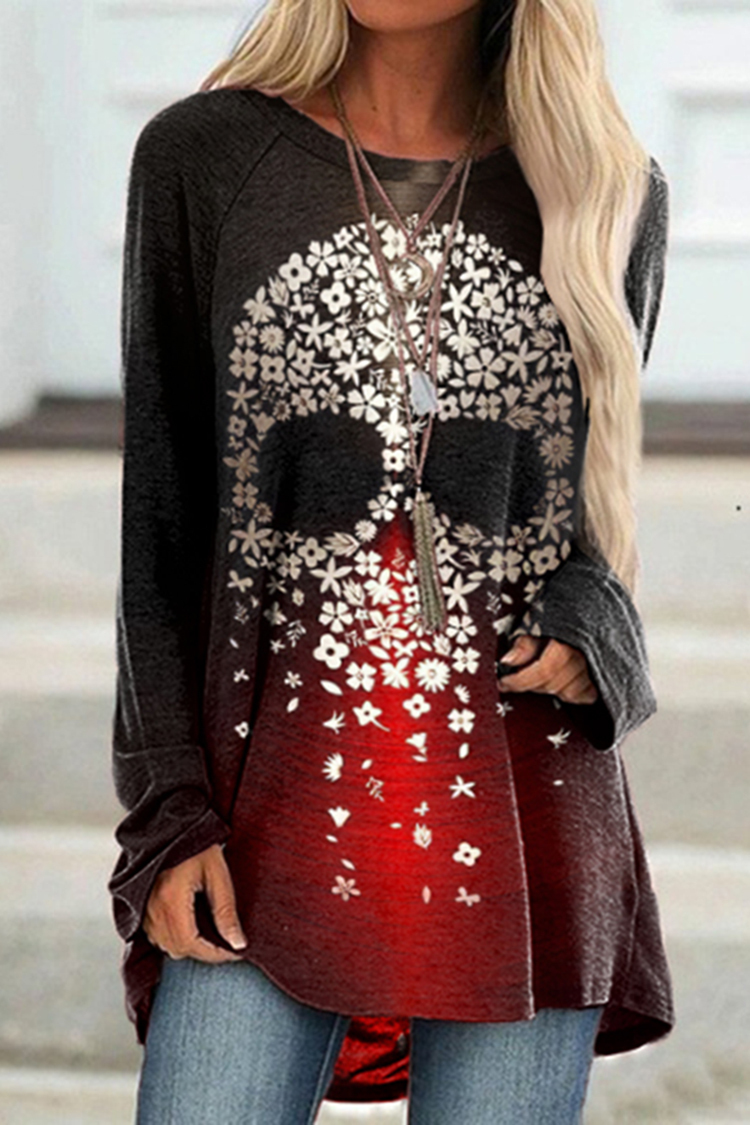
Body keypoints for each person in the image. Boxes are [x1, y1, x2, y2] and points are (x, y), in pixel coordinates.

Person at [107, 1, 675, 1121]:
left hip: (524, 818)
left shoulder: (606, 189)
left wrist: (593, 630)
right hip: (265, 812)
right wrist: (167, 810)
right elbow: (161, 524)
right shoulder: (203, 159)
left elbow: (588, 511)